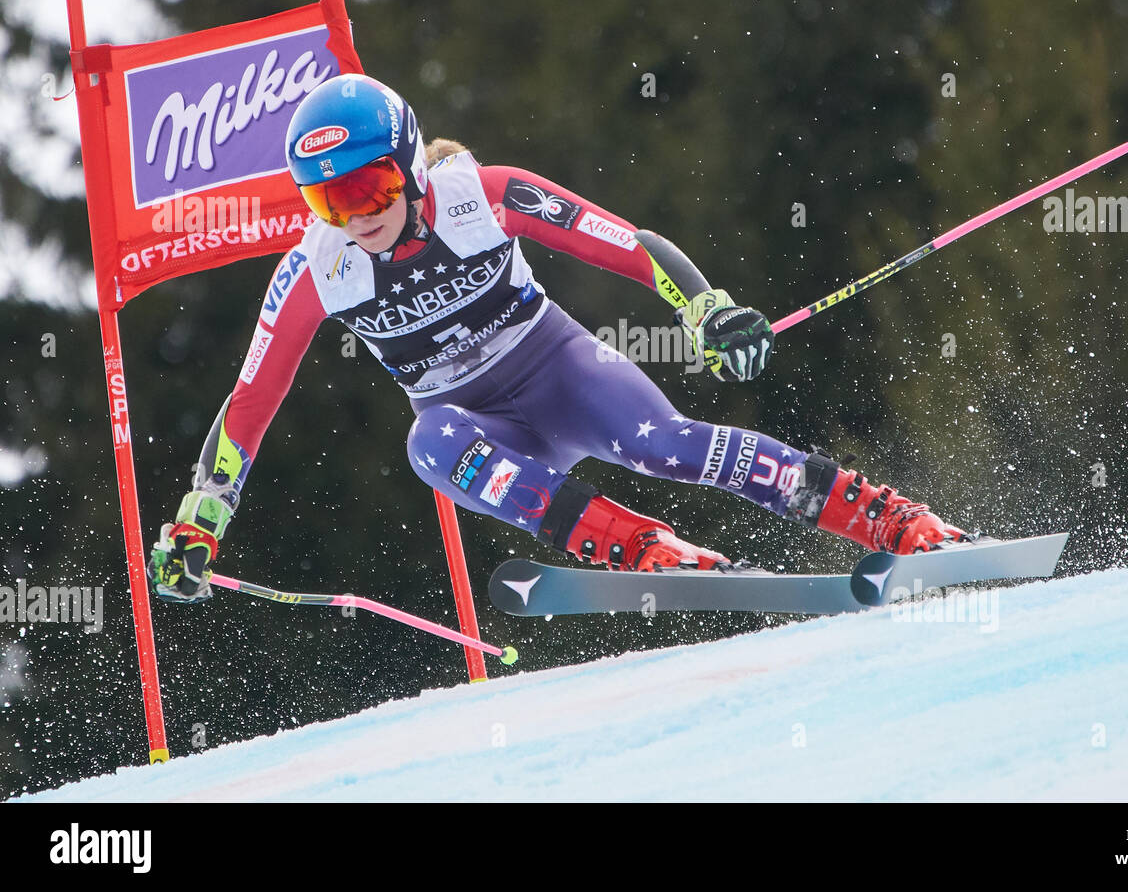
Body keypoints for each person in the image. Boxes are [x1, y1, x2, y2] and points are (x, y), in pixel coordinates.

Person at [149, 74, 965, 602]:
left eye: (371, 185)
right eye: (330, 200)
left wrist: (705, 309)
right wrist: (203, 514)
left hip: (559, 368)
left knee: (669, 446)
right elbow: (252, 399)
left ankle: (892, 521)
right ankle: (645, 548)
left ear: (411, 165)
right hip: (477, 424)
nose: (357, 213)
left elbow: (626, 241)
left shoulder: (483, 196)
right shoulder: (316, 269)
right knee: (430, 444)